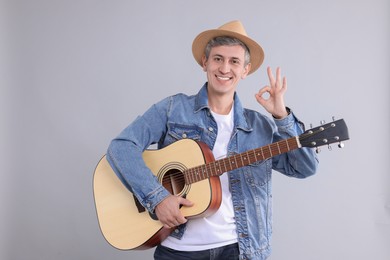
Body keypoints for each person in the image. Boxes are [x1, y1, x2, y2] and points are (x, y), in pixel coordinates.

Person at [106, 20, 318, 260]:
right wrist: (157, 198)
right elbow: (121, 147)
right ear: (205, 63)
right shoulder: (172, 109)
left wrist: (282, 116)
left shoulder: (260, 127)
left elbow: (305, 167)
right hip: (178, 251)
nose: (224, 68)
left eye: (234, 61)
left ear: (245, 70)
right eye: (218, 58)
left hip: (241, 250)